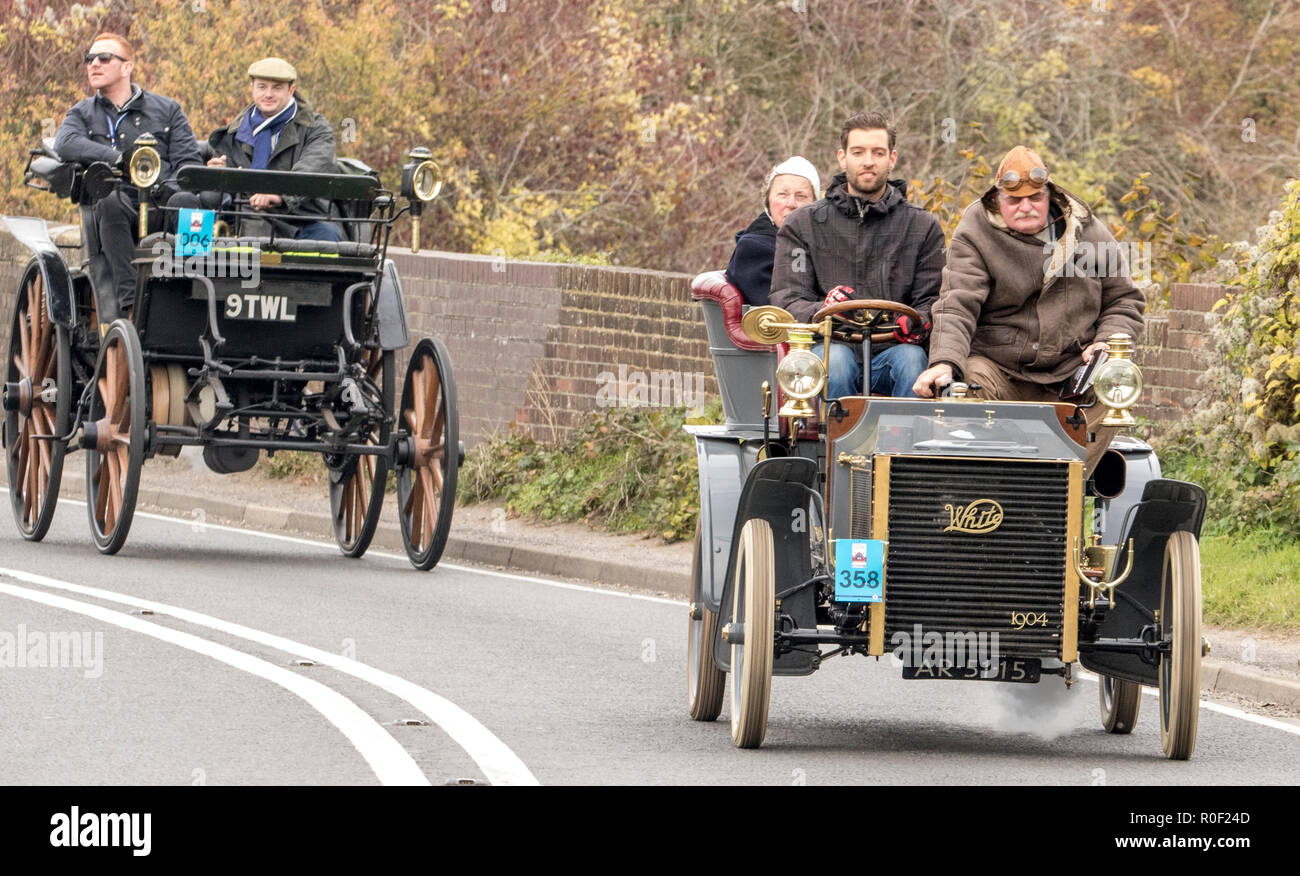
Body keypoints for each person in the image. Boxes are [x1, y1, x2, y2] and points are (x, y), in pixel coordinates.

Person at [912, 145, 1146, 473]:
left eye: (1035, 198)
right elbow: (956, 304)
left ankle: (1060, 491)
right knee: (959, 392)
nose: (1026, 206)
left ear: (1049, 194)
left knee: (1115, 387)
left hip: (1070, 371)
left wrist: (1107, 340)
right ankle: (984, 498)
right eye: (1014, 200)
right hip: (998, 368)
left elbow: (1124, 299)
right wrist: (944, 362)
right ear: (997, 199)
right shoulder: (975, 230)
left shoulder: (1089, 232)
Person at [770, 111, 945, 398]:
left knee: (912, 361)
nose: (868, 161)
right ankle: (838, 442)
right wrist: (824, 308)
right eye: (858, 152)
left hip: (894, 350)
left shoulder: (922, 226)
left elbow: (934, 300)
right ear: (842, 157)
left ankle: (903, 441)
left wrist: (916, 322)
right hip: (830, 347)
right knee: (836, 362)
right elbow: (787, 298)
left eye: (878, 152)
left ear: (892, 159)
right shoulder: (802, 225)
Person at [54, 32, 203, 320]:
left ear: (127, 67)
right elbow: (65, 143)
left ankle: (193, 293)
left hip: (162, 200)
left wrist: (163, 184)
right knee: (108, 201)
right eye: (89, 59)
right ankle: (131, 303)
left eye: (104, 58)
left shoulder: (168, 109)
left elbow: (188, 164)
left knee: (190, 203)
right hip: (117, 205)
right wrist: (120, 159)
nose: (93, 64)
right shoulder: (83, 113)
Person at [206, 57, 343, 241]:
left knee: (327, 237)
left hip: (300, 219)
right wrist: (219, 175)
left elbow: (315, 167)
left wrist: (280, 193)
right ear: (252, 89)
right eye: (262, 87)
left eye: (277, 87)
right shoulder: (234, 133)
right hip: (245, 220)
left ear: (291, 90)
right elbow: (226, 195)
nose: (268, 94)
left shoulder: (315, 128)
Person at [725, 156, 819, 305]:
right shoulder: (754, 249)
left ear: (815, 206)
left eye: (801, 196)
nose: (791, 203)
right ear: (768, 200)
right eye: (783, 194)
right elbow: (779, 311)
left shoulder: (822, 242)